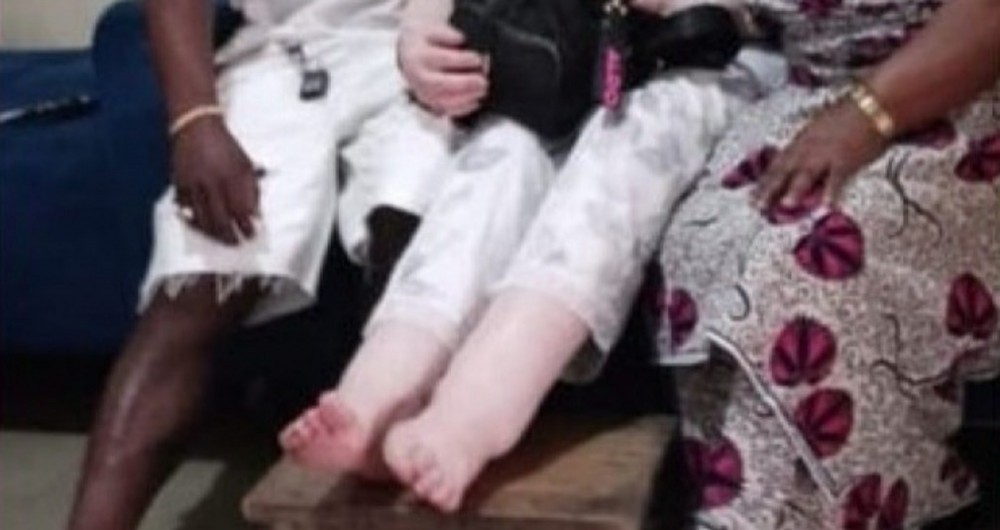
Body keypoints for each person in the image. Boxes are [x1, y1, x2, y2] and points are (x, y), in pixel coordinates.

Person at [279, 0, 775, 512]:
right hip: (557, 61)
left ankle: (470, 418)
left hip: (704, 62)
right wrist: (422, 37)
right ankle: (376, 392)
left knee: (618, 166)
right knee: (499, 155)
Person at [66, 0, 455, 528]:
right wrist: (195, 122)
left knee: (414, 248)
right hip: (278, 57)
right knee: (202, 281)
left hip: (412, 56)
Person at [652, 0, 1000, 527]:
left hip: (954, 104)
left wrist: (868, 114)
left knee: (800, 270)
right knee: (703, 242)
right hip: (804, 105)